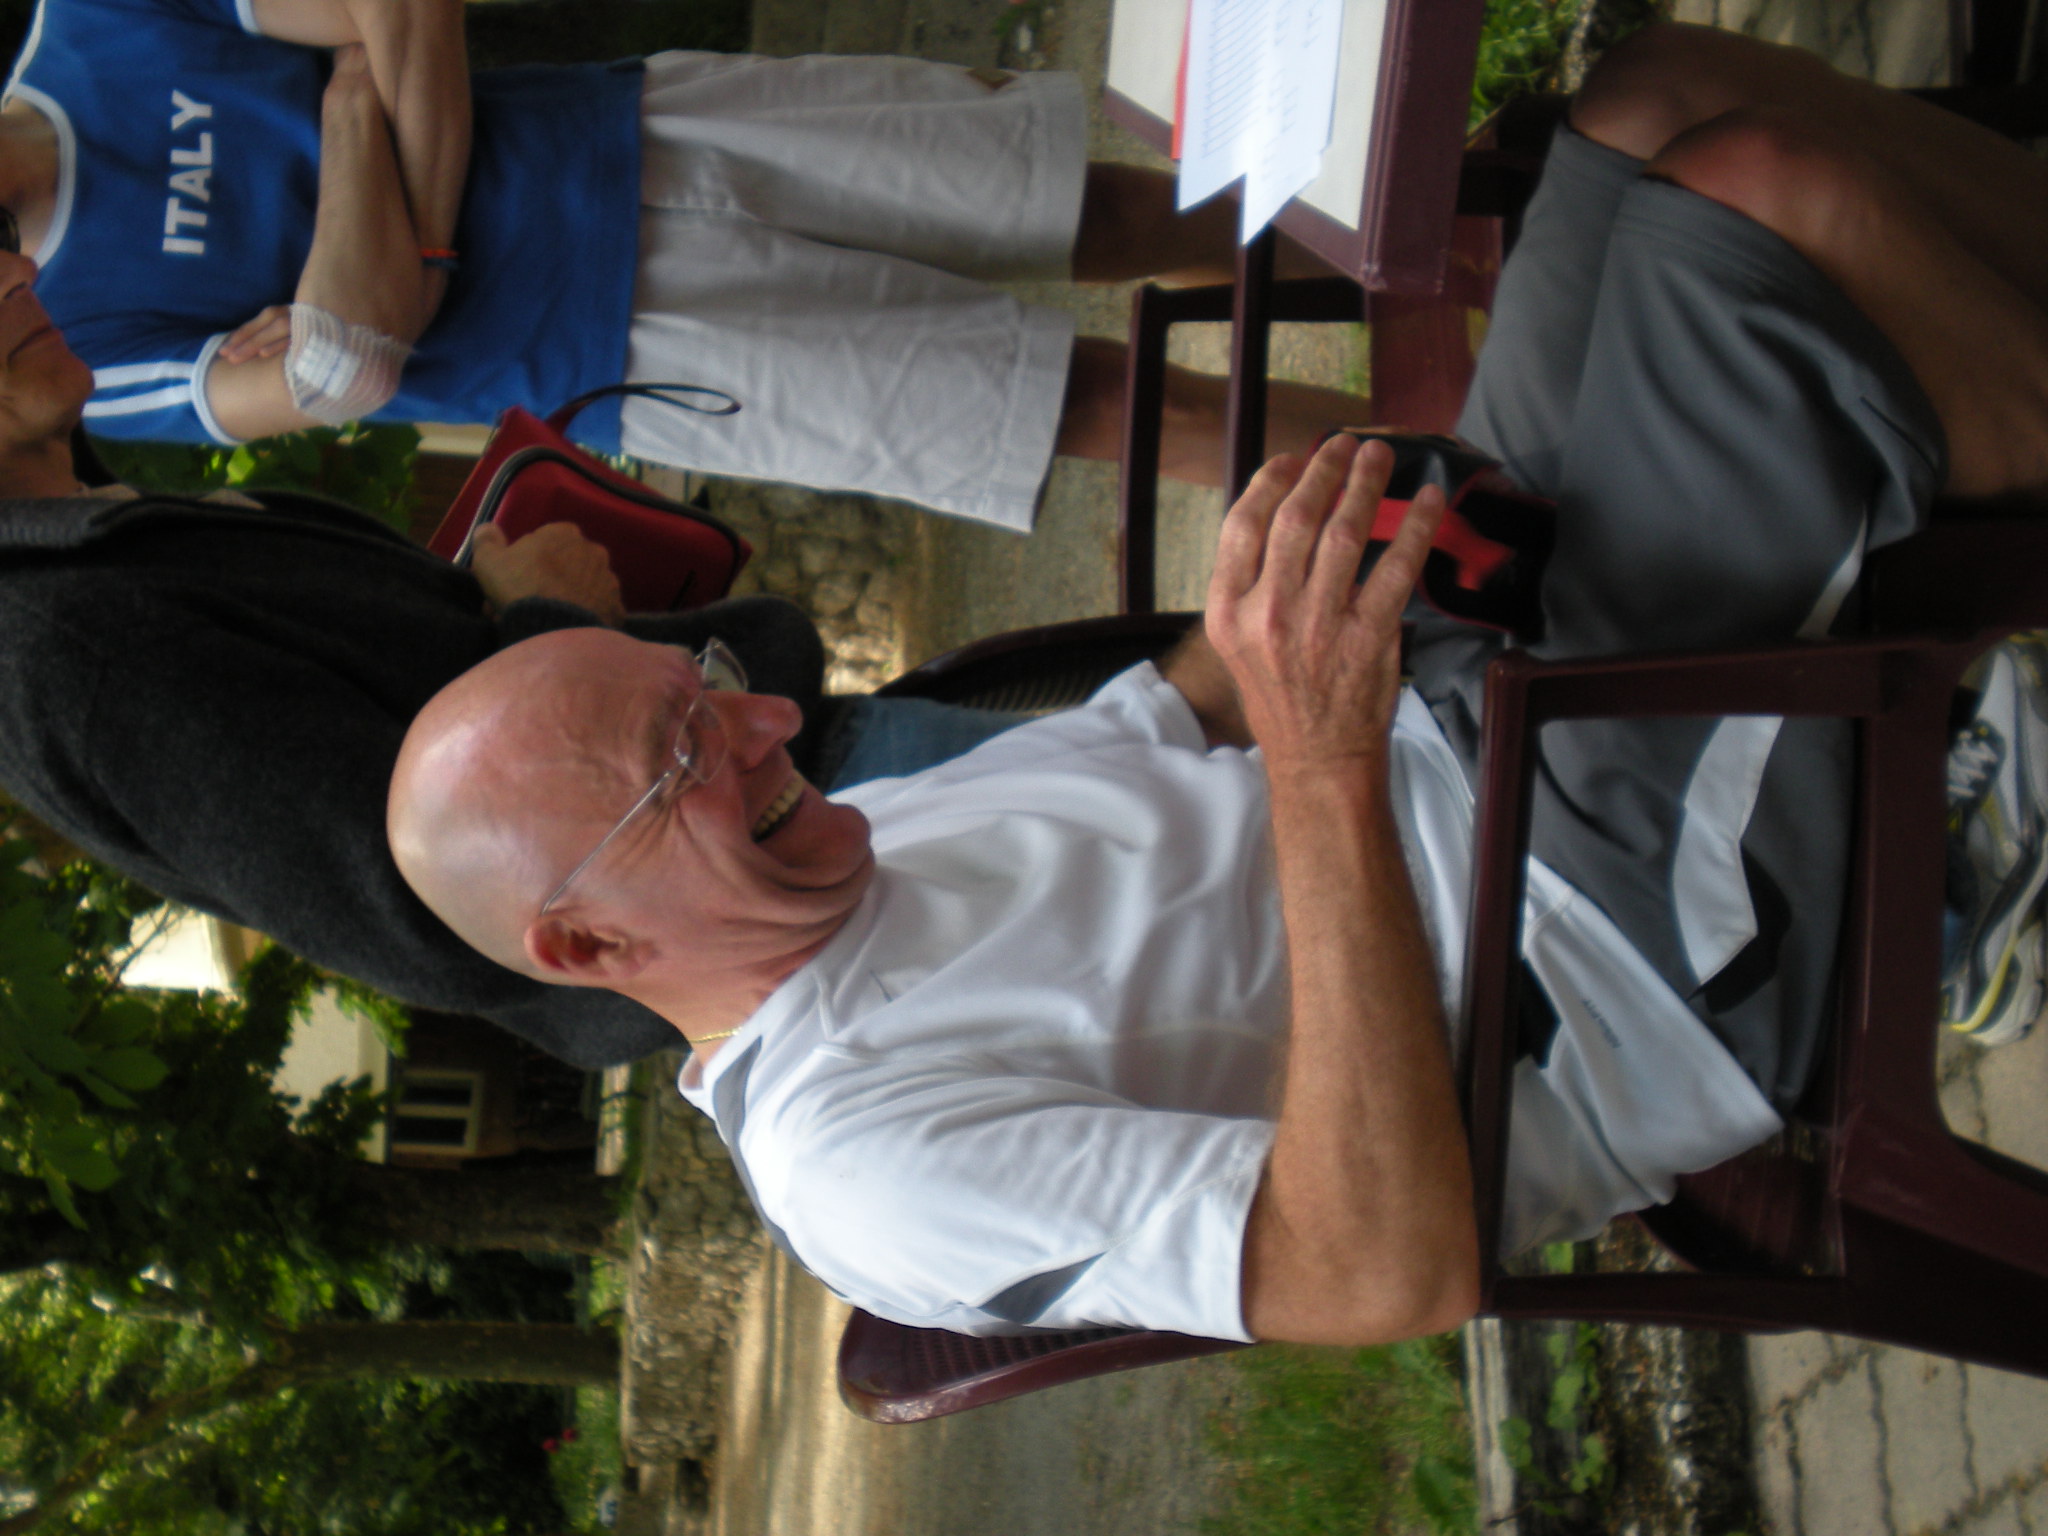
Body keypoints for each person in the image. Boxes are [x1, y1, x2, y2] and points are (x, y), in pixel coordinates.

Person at [387, 24, 2048, 1345]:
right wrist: (1324, 760)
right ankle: (1954, 836)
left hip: (1471, 714)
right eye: (686, 759)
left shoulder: (859, 848)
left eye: (709, 685)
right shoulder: (863, 1161)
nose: (766, 722)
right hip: (1609, 946)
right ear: (587, 947)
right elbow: (1383, 1271)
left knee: (1643, 107)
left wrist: (1291, 573)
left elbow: (1171, 715)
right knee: (1763, 206)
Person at [0, 240, 1032, 1068]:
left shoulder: (86, 552)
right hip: (791, 884)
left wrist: (507, 608)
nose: (18, 268)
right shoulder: (67, 650)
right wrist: (552, 618)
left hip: (795, 813)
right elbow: (424, 908)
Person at [0, 0, 1366, 532]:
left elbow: (408, 8)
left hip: (653, 127)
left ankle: (1452, 246)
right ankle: (1444, 469)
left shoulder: (96, 20)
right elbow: (342, 374)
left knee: (1099, 210)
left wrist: (396, 270)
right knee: (1086, 406)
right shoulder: (57, 344)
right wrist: (352, 110)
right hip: (622, 354)